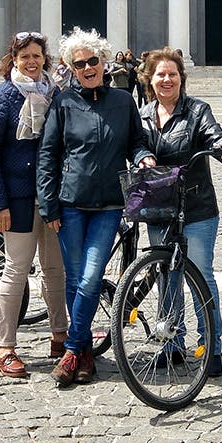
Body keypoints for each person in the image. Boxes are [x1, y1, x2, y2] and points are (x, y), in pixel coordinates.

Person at [37, 27, 155, 388]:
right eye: (80, 63)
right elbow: (48, 154)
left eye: (93, 60)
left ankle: (71, 349)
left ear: (104, 61)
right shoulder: (63, 102)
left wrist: (145, 155)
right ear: (70, 68)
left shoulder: (123, 101)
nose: (88, 67)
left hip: (108, 204)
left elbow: (136, 141)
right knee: (74, 280)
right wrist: (49, 205)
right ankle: (85, 353)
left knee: (89, 278)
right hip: (70, 204)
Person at [138, 47, 222, 377]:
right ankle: (173, 344)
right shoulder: (142, 115)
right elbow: (134, 144)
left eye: (172, 74)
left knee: (200, 275)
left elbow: (214, 135)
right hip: (158, 207)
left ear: (182, 78)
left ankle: (212, 346)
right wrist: (142, 155)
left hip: (196, 207)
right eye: (160, 75)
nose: (166, 80)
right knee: (167, 277)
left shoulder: (197, 111)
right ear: (150, 80)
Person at [0, 31, 67, 379]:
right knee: (16, 270)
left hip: (52, 198)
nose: (31, 62)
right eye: (24, 56)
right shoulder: (1, 98)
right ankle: (5, 346)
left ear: (45, 59)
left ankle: (60, 336)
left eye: (37, 56)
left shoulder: (56, 94)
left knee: (55, 270)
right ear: (13, 60)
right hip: (16, 200)